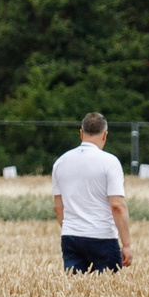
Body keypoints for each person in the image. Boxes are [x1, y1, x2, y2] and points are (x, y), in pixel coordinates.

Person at [52, 111, 132, 272]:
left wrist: (71, 229)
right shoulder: (110, 162)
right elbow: (117, 205)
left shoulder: (61, 162)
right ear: (105, 135)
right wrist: (127, 244)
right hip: (102, 237)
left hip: (70, 236)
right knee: (107, 292)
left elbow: (58, 207)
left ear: (81, 133)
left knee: (74, 292)